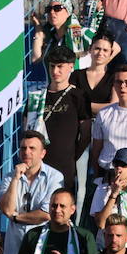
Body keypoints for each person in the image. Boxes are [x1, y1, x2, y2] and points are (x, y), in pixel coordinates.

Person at [23, 46, 91, 190]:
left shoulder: (78, 96)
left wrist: (72, 155)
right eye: (52, 66)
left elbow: (86, 132)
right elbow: (27, 130)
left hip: (65, 165)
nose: (55, 71)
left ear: (71, 67)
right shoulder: (37, 97)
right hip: (37, 163)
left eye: (60, 67)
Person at [17, 189, 99, 254]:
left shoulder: (84, 237)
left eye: (62, 206)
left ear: (72, 209)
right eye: (54, 206)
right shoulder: (33, 235)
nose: (57, 210)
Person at [31, 0, 103, 66]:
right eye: (49, 9)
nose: (52, 12)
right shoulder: (52, 39)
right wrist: (38, 31)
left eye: (57, 8)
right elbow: (35, 59)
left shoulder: (82, 33)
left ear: (68, 12)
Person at [74, 30, 121, 115]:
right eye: (97, 48)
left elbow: (114, 106)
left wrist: (83, 105)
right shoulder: (76, 75)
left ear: (111, 53)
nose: (100, 53)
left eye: (105, 50)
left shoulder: (114, 77)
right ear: (90, 49)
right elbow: (70, 101)